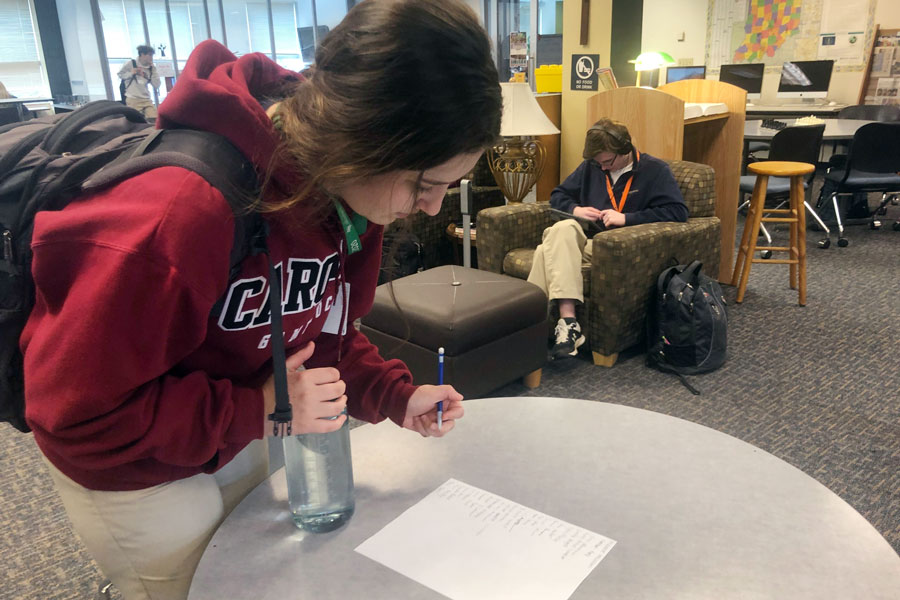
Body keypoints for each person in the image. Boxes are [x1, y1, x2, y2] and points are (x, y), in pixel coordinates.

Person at [21, 1, 501, 599]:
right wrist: (261, 409)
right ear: (364, 137)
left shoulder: (348, 187)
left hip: (239, 413)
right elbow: (76, 416)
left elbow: (320, 335)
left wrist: (395, 395)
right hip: (127, 459)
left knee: (269, 572)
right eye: (425, 185)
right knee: (204, 584)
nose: (431, 208)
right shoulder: (178, 212)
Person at [528, 118, 689, 360]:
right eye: (597, 163)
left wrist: (627, 218)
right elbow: (558, 195)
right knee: (564, 228)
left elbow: (678, 212)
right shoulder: (591, 167)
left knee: (546, 250)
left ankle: (526, 329)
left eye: (607, 162)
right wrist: (575, 210)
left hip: (619, 249)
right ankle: (569, 322)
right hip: (584, 242)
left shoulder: (655, 171)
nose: (602, 168)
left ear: (625, 150)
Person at [117, 44, 160, 120]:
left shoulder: (151, 68)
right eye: (149, 55)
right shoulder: (131, 63)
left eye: (152, 55)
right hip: (133, 98)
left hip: (146, 99)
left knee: (154, 119)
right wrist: (131, 73)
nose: (151, 58)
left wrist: (153, 70)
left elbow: (157, 85)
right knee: (136, 121)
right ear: (142, 54)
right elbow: (120, 74)